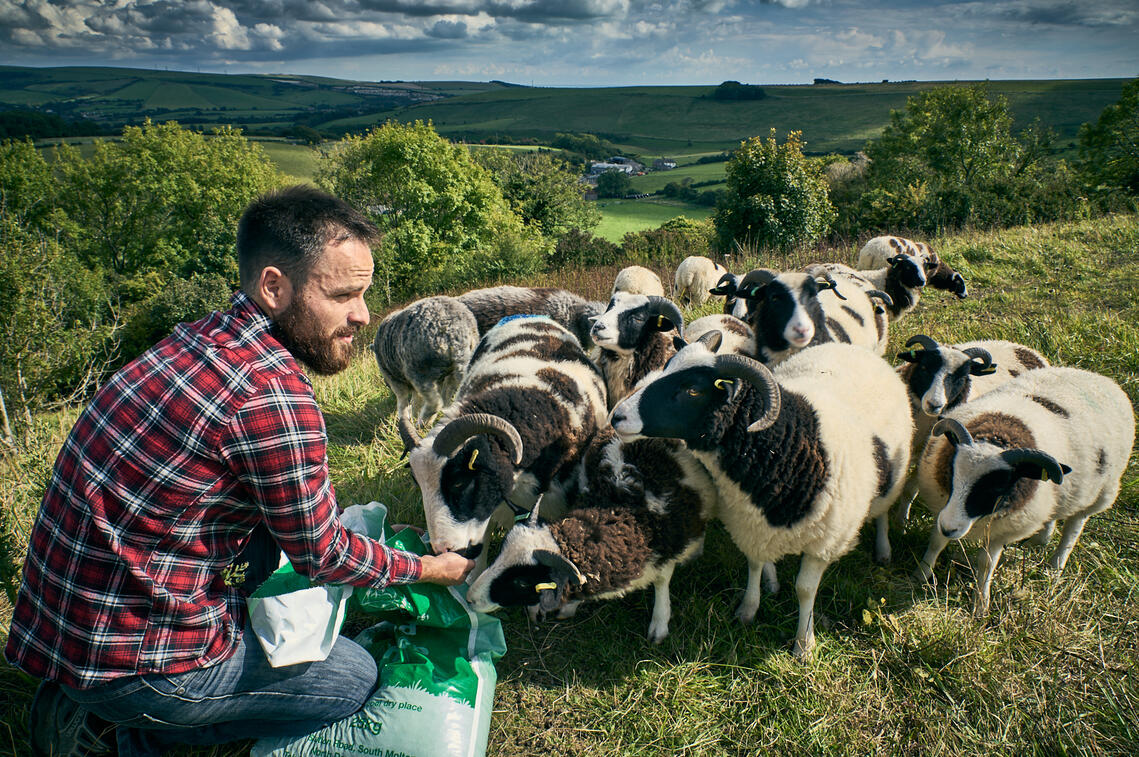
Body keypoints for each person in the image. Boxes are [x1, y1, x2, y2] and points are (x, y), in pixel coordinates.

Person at [5, 185, 475, 755]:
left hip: (68, 621)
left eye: (365, 294)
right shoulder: (273, 396)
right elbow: (322, 555)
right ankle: (121, 734)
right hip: (138, 662)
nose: (363, 316)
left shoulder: (201, 337)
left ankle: (92, 696)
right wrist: (426, 567)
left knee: (259, 557)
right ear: (274, 286)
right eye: (343, 295)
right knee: (349, 678)